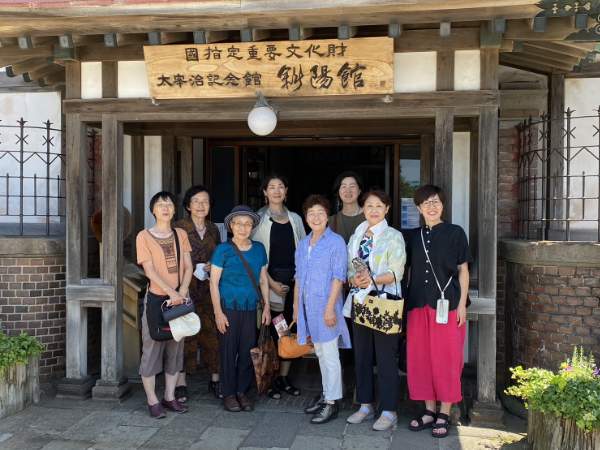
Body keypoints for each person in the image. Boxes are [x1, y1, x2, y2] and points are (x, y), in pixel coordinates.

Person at [404, 185, 470, 438]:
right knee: (420, 359)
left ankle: (445, 411)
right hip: (418, 305)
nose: (431, 207)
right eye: (426, 203)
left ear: (443, 205)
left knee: (447, 359)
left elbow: (463, 270)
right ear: (418, 208)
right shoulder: (413, 236)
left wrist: (462, 304)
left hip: (448, 305)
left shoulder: (455, 233)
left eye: (436, 202)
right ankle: (429, 410)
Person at [345, 190, 406, 431]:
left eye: (379, 206)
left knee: (385, 357)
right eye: (369, 206)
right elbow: (350, 269)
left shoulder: (393, 236)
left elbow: (396, 272)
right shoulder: (357, 234)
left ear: (387, 209)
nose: (373, 210)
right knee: (362, 355)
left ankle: (389, 410)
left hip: (384, 301)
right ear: (363, 209)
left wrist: (371, 280)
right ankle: (365, 405)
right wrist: (354, 279)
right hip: (360, 299)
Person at [293, 195, 351, 424]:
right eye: (311, 213)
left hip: (327, 306)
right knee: (319, 353)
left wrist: (330, 309)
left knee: (330, 355)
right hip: (308, 308)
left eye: (320, 213)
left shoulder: (335, 242)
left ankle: (332, 402)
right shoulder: (303, 244)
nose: (315, 217)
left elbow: (339, 277)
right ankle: (327, 395)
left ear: (327, 216)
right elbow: (298, 277)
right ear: (306, 217)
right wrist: (296, 307)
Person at [136, 191, 193, 418]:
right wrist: (171, 293)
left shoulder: (181, 234)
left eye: (169, 204)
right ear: (153, 210)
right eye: (160, 205)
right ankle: (152, 400)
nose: (165, 208)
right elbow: (149, 271)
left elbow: (188, 266)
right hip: (157, 300)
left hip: (179, 299)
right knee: (151, 349)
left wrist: (182, 291)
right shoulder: (144, 236)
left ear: (174, 209)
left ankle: (169, 396)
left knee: (175, 350)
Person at [210, 205, 271, 412]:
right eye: (238, 224)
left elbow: (263, 280)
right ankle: (228, 393)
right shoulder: (223, 250)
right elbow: (213, 283)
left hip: (250, 308)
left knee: (247, 351)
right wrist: (218, 313)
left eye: (247, 224)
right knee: (228, 351)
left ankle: (242, 392)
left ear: (252, 227)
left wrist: (267, 307)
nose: (243, 228)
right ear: (231, 226)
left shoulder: (259, 249)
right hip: (228, 308)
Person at [252, 174, 306, 399]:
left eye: (280, 186)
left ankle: (284, 377)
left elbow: (304, 251)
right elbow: (253, 255)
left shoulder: (296, 219)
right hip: (269, 284)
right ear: (265, 192)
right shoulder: (258, 219)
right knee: (272, 331)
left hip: (293, 284)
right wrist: (272, 284)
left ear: (286, 191)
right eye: (271, 187)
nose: (276, 191)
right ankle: (270, 378)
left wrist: (298, 280)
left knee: (289, 331)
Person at [173, 185, 221, 401]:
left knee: (213, 334)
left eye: (205, 201)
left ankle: (215, 379)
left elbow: (219, 255)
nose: (201, 205)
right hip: (186, 289)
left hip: (210, 290)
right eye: (196, 201)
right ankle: (181, 382)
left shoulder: (213, 229)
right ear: (188, 206)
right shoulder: (178, 228)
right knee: (185, 335)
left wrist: (212, 264)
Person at [328, 171, 365, 244]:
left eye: (352, 186)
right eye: (343, 186)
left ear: (359, 191)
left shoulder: (370, 218)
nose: (348, 190)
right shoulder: (331, 221)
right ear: (338, 191)